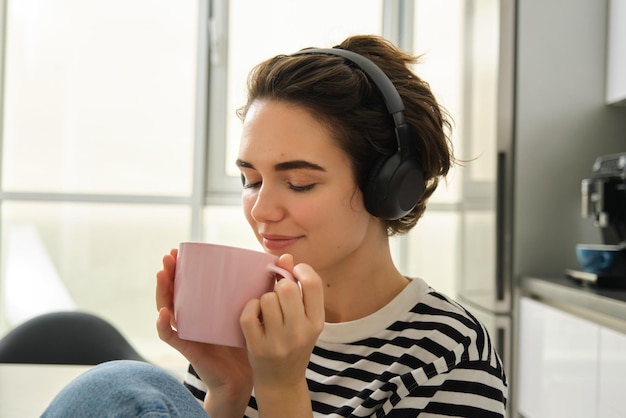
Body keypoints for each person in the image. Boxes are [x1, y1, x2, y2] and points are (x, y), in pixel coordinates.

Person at [43, 34, 507, 417]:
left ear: (387, 187)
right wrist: (228, 388)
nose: (261, 209)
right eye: (250, 180)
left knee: (124, 385)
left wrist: (282, 387)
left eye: (300, 182)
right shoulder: (241, 314)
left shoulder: (451, 353)